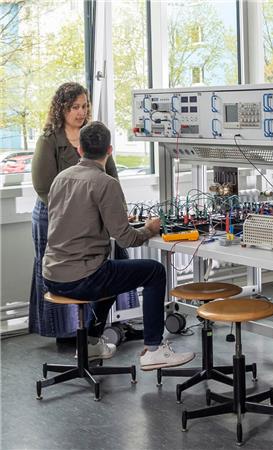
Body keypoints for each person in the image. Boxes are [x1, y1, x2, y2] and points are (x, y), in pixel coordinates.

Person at [43, 121, 194, 370]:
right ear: (110, 151)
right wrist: (150, 229)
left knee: (115, 271)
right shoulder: (106, 183)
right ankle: (154, 350)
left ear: (79, 149)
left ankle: (92, 343)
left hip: (52, 276)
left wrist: (112, 222)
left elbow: (70, 222)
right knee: (154, 271)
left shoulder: (61, 178)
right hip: (83, 279)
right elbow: (126, 239)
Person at [29, 82, 134, 341]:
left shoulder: (92, 137)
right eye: (74, 107)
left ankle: (107, 325)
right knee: (64, 270)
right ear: (61, 109)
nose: (81, 112)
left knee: (116, 259)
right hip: (54, 216)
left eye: (84, 106)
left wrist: (118, 212)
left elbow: (112, 178)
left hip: (92, 215)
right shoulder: (49, 140)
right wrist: (74, 212)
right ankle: (66, 332)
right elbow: (43, 187)